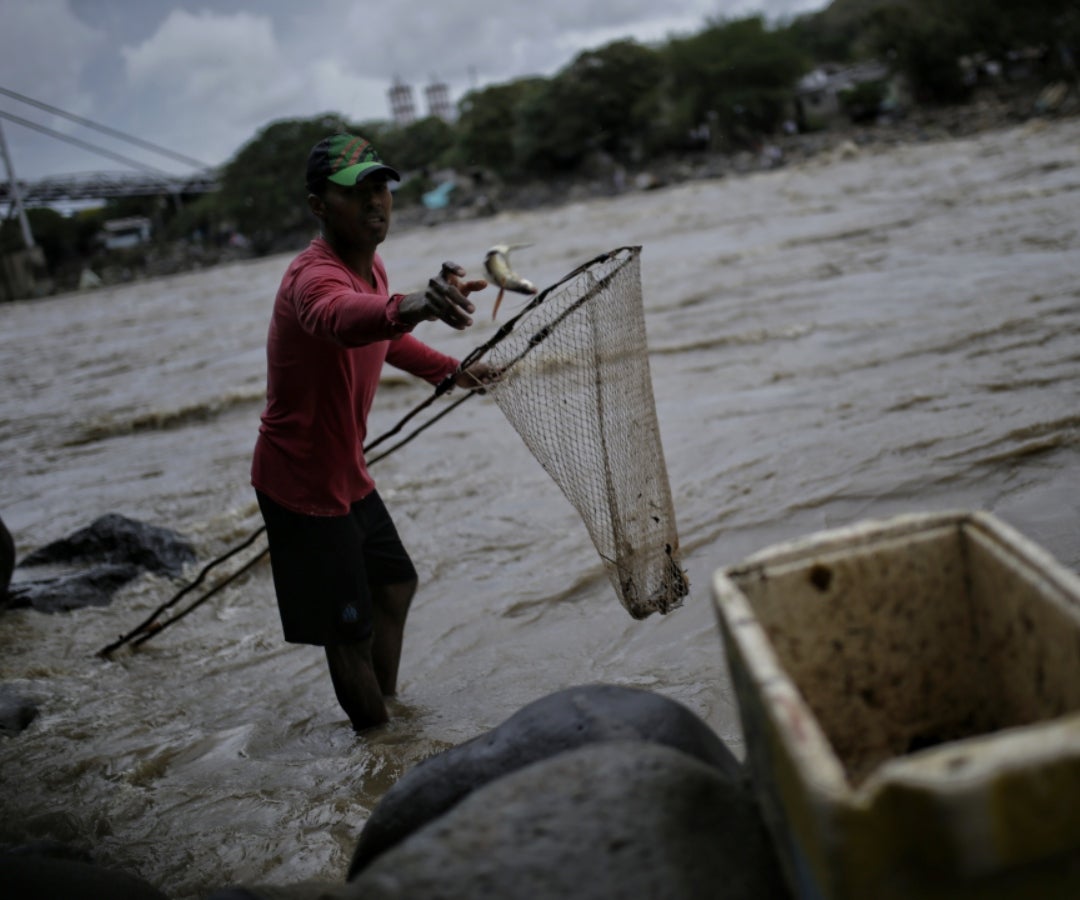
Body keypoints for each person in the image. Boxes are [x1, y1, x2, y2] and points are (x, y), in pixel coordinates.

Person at [251, 133, 492, 731]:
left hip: (347, 474)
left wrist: (450, 369)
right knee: (348, 630)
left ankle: (383, 718)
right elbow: (340, 320)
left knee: (395, 584)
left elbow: (382, 334)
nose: (376, 202)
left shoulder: (372, 265)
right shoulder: (310, 279)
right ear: (319, 205)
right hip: (302, 487)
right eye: (357, 191)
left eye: (381, 186)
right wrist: (412, 304)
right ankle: (378, 745)